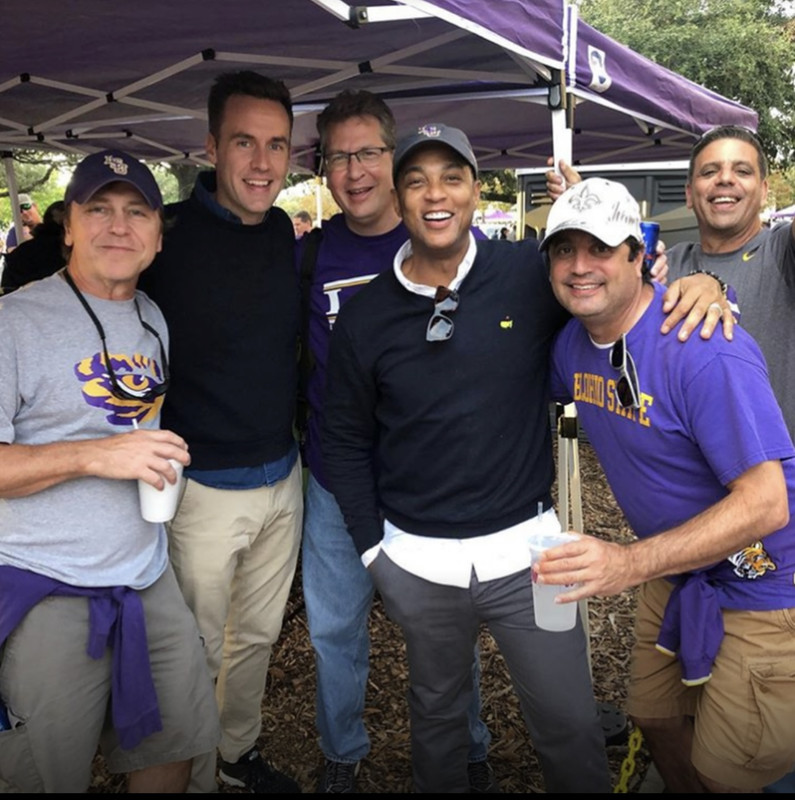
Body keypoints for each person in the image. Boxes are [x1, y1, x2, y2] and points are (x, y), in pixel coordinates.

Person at [540, 177, 795, 793]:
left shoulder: (703, 349)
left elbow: (767, 503)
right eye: (564, 249)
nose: (580, 267)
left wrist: (627, 563)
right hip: (680, 570)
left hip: (768, 584)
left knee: (726, 772)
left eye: (601, 249)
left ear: (638, 255)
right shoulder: (573, 346)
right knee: (654, 718)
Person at [0, 149, 220, 793]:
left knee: (175, 747)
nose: (118, 226)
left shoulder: (151, 318)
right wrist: (95, 455)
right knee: (44, 775)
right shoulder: (14, 322)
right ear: (68, 225)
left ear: (157, 236)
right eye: (99, 209)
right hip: (48, 585)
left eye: (136, 212)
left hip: (146, 576)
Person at [300, 91, 493, 793]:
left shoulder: (445, 240)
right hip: (334, 479)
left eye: (368, 153)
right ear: (324, 168)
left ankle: (468, 749)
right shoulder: (308, 256)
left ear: (394, 156)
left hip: (426, 481)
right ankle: (340, 754)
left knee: (445, 631)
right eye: (338, 157)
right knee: (334, 630)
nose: (354, 171)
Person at [138, 71, 302, 794]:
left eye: (277, 145)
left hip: (283, 476)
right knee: (196, 649)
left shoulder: (285, 234)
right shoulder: (165, 239)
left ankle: (235, 755)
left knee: (257, 638)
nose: (262, 163)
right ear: (210, 147)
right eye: (244, 143)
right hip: (201, 488)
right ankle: (195, 775)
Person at [1, 200, 66, 293]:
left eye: (26, 206)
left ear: (35, 206)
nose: (24, 212)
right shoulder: (69, 252)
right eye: (19, 210)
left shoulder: (22, 251)